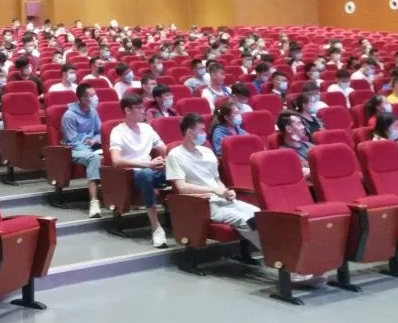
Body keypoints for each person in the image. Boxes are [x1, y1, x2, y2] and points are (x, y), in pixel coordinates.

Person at [166, 113, 261, 251]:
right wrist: (212, 190)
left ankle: (276, 253)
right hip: (203, 204)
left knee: (259, 215)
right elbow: (182, 187)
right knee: (245, 220)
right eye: (201, 130)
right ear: (189, 133)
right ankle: (273, 255)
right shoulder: (175, 155)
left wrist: (226, 191)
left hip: (223, 199)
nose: (204, 134)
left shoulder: (207, 152)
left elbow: (216, 180)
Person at [109, 94, 168, 248]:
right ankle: (156, 227)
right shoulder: (118, 131)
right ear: (127, 110)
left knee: (177, 169)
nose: (143, 111)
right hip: (133, 174)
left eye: (143, 107)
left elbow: (164, 149)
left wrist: (168, 161)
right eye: (139, 108)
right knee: (146, 174)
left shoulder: (147, 128)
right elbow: (116, 161)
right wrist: (147, 164)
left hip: (152, 169)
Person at [61, 83, 103, 218]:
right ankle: (94, 202)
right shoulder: (69, 116)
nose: (95, 98)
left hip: (92, 147)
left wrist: (94, 140)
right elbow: (73, 141)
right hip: (74, 149)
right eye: (92, 96)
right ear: (82, 98)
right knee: (94, 158)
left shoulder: (93, 111)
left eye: (95, 95)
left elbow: (100, 132)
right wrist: (90, 151)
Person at [276, 111, 312, 178]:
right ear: (288, 129)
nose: (303, 127)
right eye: (299, 124)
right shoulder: (284, 153)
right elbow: (299, 173)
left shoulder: (309, 145)